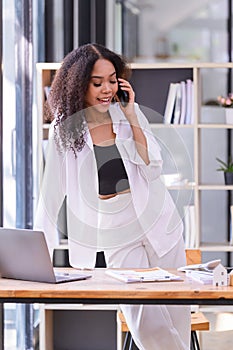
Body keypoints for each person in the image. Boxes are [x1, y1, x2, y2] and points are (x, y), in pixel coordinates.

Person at [34, 43, 190, 350]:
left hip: (160, 221)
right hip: (118, 231)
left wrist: (132, 116)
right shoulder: (65, 129)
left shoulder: (126, 114)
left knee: (177, 317)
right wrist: (40, 260)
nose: (107, 89)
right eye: (97, 83)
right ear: (79, 84)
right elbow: (51, 195)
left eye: (112, 79)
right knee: (147, 323)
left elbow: (152, 167)